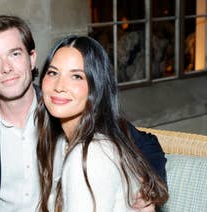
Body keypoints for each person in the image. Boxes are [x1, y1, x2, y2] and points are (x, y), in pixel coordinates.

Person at [0, 15, 166, 212]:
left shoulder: (63, 106)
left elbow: (147, 144)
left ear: (31, 58)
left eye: (15, 54)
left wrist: (147, 190)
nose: (6, 67)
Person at [35, 35, 169, 212]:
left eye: (76, 76)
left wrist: (150, 188)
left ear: (96, 87)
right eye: (53, 73)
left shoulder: (90, 155)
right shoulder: (62, 141)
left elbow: (149, 143)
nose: (59, 86)